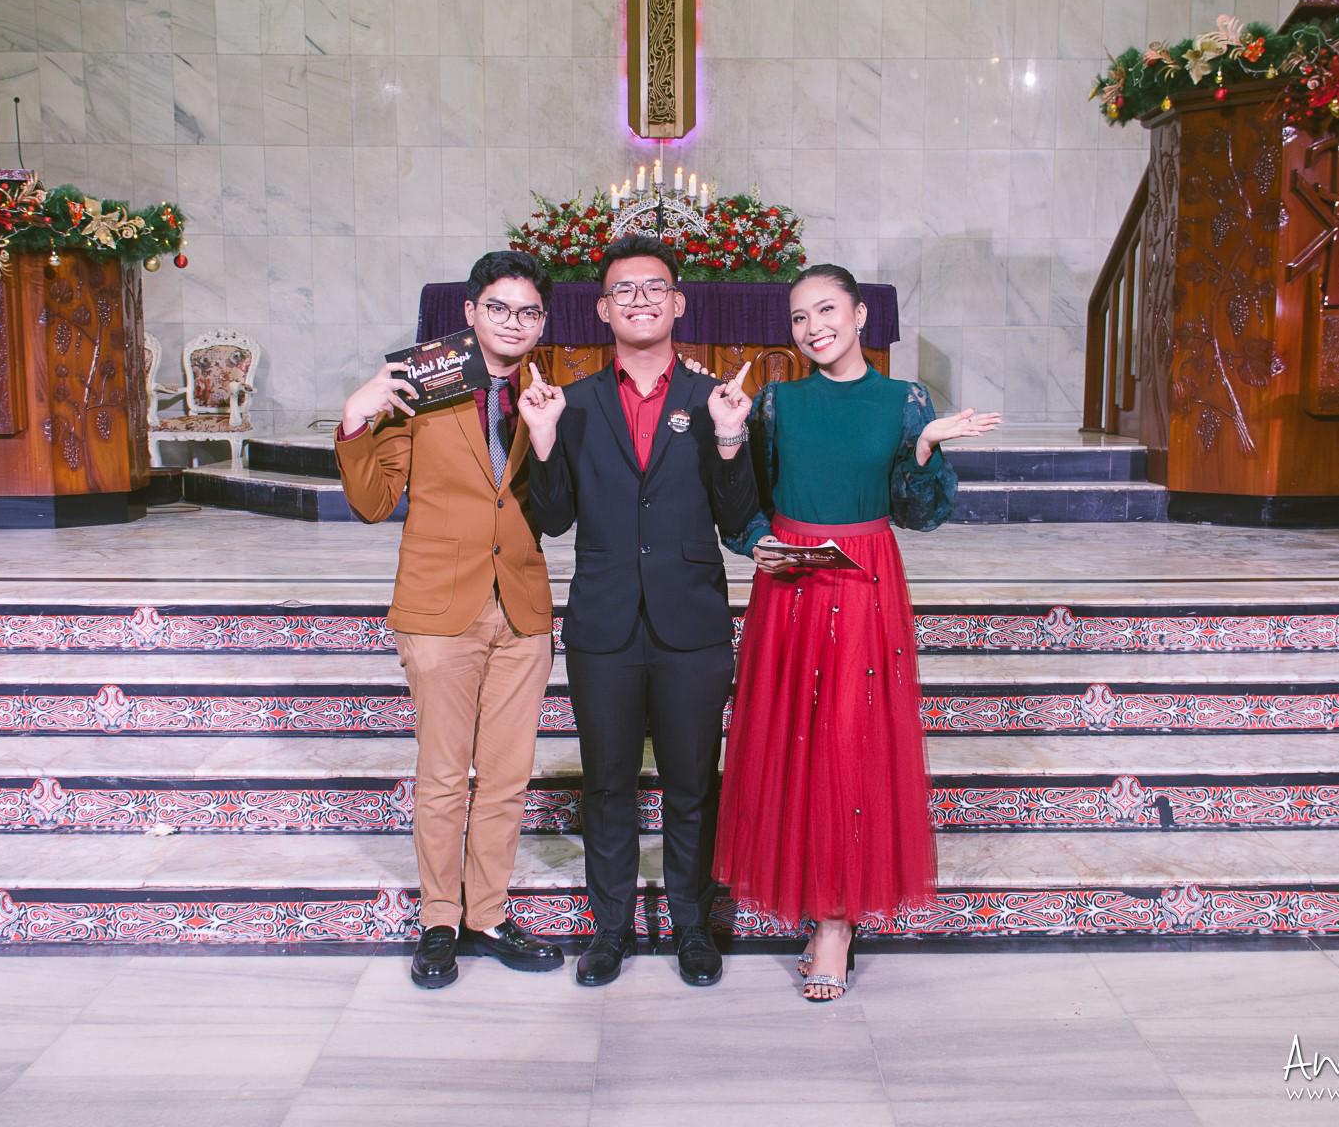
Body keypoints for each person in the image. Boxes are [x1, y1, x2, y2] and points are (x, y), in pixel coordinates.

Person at [716, 264, 1001, 1003]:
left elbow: (918, 513)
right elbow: (747, 500)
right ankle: (813, 902)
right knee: (792, 743)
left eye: (826, 310)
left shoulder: (904, 401)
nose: (813, 328)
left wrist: (926, 446)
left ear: (860, 315)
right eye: (799, 317)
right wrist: (756, 534)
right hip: (791, 583)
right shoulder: (776, 402)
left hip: (865, 581)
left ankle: (836, 924)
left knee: (849, 743)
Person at [519, 233, 758, 988]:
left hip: (691, 622)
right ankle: (612, 929)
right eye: (624, 289)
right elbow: (552, 518)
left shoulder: (714, 399)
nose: (640, 299)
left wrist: (731, 440)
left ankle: (692, 924)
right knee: (606, 784)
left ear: (678, 302)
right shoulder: (574, 404)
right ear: (602, 310)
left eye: (655, 287)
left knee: (693, 784)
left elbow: (738, 520)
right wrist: (544, 440)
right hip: (604, 624)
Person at [335, 249, 565, 990]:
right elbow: (373, 501)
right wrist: (356, 417)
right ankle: (439, 918)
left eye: (528, 312)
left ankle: (487, 914)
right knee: (442, 775)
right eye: (498, 307)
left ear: (543, 322)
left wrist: (550, 436)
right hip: (439, 609)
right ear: (469, 312)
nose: (513, 322)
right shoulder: (423, 387)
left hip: (521, 608)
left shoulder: (548, 395)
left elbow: (555, 505)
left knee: (506, 776)